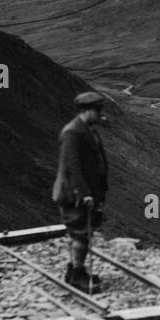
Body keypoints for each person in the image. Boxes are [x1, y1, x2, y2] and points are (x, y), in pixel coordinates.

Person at [52, 90, 109, 291]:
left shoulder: (87, 129)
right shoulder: (72, 133)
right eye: (98, 110)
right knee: (81, 234)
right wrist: (84, 193)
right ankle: (77, 275)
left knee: (82, 233)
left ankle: (75, 269)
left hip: (84, 193)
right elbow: (73, 167)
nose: (102, 114)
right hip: (73, 195)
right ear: (87, 110)